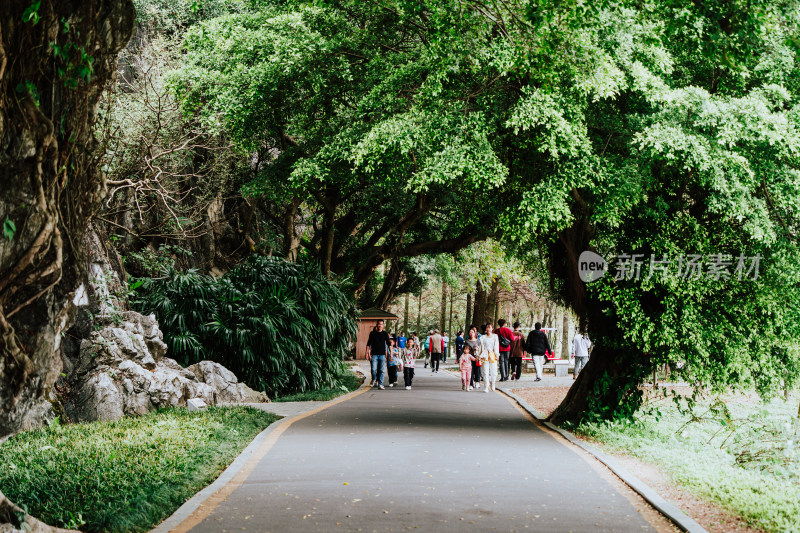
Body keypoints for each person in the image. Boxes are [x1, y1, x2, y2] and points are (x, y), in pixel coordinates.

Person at [366, 319, 391, 389]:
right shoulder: (372, 333)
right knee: (373, 369)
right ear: (377, 325)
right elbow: (368, 344)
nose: (380, 325)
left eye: (381, 324)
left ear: (383, 325)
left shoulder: (385, 334)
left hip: (382, 355)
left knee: (382, 370)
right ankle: (374, 379)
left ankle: (380, 384)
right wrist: (367, 353)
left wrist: (391, 353)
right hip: (374, 355)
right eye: (379, 324)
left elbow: (389, 344)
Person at [478, 323, 499, 392]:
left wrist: (497, 355)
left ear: (492, 328)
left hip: (492, 355)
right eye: (487, 327)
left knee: (494, 371)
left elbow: (496, 346)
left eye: (490, 327)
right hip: (485, 355)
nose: (488, 329)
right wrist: (479, 355)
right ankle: (486, 386)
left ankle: (493, 384)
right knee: (485, 372)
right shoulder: (482, 337)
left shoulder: (495, 336)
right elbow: (481, 347)